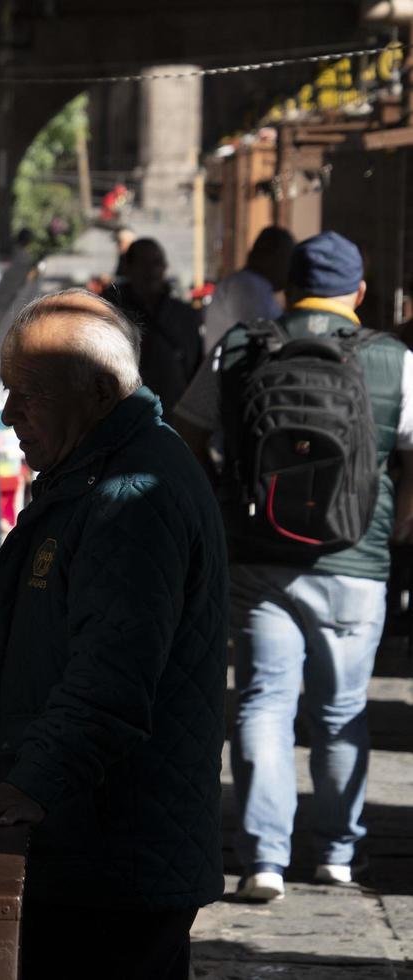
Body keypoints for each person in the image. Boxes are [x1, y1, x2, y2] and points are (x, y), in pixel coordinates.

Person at [0, 289, 227, 980]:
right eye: (7, 391)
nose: (9, 413)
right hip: (90, 849)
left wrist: (31, 785)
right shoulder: (96, 474)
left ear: (99, 393)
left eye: (28, 393)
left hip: (109, 860)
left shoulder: (131, 493)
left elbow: (113, 673)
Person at [174, 231, 413, 902]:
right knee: (340, 712)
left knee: (262, 703)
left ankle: (263, 861)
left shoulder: (243, 346)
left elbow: (188, 431)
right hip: (356, 562)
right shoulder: (394, 359)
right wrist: (397, 520)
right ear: (359, 293)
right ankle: (338, 855)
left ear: (287, 287)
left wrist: (223, 501)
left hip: (257, 558)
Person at [103, 238, 204, 414]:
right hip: (121, 420)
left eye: (157, 262)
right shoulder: (107, 313)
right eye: (143, 263)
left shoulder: (183, 315)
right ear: (128, 267)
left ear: (165, 267)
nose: (151, 270)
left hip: (172, 418)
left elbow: (196, 372)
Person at [202, 226, 295, 355]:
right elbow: (270, 342)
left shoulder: (250, 285)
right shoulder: (248, 287)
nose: (289, 269)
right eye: (287, 260)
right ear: (273, 256)